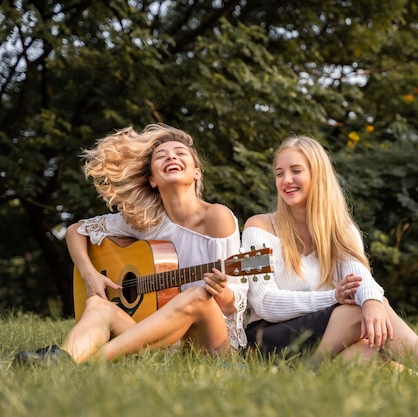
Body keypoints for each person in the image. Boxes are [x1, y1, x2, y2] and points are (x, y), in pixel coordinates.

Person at [242, 135, 418, 371]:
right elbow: (264, 302)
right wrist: (334, 298)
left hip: (322, 340)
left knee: (366, 352)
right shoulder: (259, 228)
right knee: (356, 310)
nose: (286, 180)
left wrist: (373, 300)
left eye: (296, 171)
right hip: (269, 342)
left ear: (318, 175)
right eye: (279, 173)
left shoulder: (341, 230)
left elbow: (359, 277)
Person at [15, 123, 247, 365]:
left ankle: (92, 360)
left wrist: (223, 292)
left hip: (211, 343)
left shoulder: (217, 217)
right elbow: (76, 230)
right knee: (97, 304)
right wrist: (90, 275)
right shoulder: (146, 221)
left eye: (180, 153)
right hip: (162, 342)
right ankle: (64, 359)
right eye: (161, 156)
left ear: (196, 173)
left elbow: (235, 302)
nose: (171, 157)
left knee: (198, 294)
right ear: (152, 180)